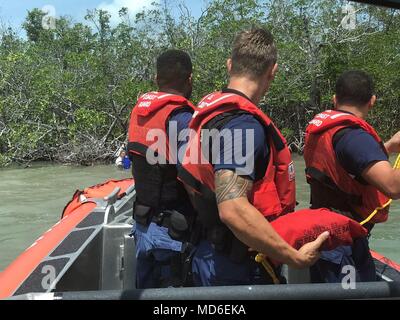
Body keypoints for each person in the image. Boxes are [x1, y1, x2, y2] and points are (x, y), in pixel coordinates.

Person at [178, 28, 329, 286]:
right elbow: (233, 209)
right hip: (236, 268)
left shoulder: (211, 114)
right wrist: (294, 257)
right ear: (273, 70)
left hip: (210, 252)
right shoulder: (242, 125)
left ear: (229, 65)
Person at [303, 70, 400, 283]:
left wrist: (389, 146)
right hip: (341, 243)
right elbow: (393, 187)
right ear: (372, 101)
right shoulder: (354, 137)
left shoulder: (329, 130)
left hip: (325, 234)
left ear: (335, 99)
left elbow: (348, 163)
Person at [127, 49, 196, 288]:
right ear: (190, 79)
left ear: (157, 79)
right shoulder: (183, 118)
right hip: (172, 235)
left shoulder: (139, 112)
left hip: (143, 227)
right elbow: (194, 180)